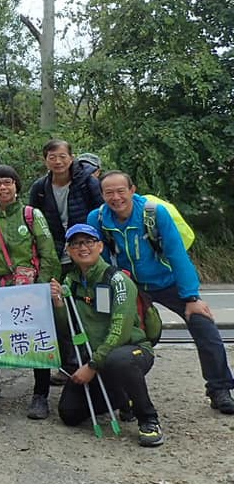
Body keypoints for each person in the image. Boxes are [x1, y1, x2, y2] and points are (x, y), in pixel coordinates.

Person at [88, 171, 234, 414]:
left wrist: (191, 297)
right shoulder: (98, 218)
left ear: (132, 190)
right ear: (102, 195)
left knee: (203, 323)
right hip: (129, 284)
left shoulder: (154, 214)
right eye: (109, 193)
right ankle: (123, 395)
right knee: (115, 330)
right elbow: (99, 260)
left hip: (166, 281)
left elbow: (177, 254)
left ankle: (219, 388)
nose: (116, 197)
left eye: (120, 191)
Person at [50, 224, 165, 446]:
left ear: (100, 246)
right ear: (68, 250)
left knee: (119, 360)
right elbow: (67, 329)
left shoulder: (117, 280)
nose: (82, 248)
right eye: (75, 243)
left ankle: (148, 419)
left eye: (88, 242)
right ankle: (124, 397)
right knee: (69, 413)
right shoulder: (70, 282)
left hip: (131, 351)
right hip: (96, 359)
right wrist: (58, 304)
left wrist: (92, 366)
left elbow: (119, 331)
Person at [0, 165, 61, 419]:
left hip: (30, 289)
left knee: (37, 339)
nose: (2, 188)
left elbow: (48, 253)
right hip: (0, 290)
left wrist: (42, 286)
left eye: (7, 182)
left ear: (16, 185)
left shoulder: (31, 215)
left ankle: (40, 395)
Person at [29, 139, 103, 276]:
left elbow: (101, 213)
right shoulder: (39, 188)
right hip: (55, 247)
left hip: (85, 245)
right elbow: (32, 221)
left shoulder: (88, 182)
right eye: (52, 157)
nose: (58, 162)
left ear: (71, 158)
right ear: (45, 160)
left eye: (62, 157)